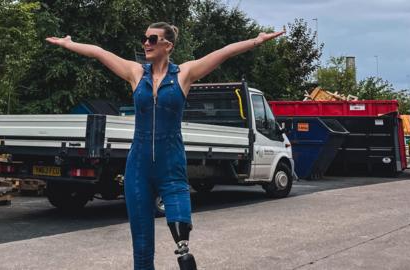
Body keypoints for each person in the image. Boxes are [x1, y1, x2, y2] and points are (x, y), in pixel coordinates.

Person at [46, 22, 284, 270]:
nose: (145, 43)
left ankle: (183, 248)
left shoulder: (185, 74)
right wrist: (69, 44)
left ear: (167, 45)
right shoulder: (135, 72)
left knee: (181, 234)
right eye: (144, 39)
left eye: (151, 39)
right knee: (141, 245)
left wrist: (256, 40)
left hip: (171, 164)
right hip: (137, 167)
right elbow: (98, 52)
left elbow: (223, 52)